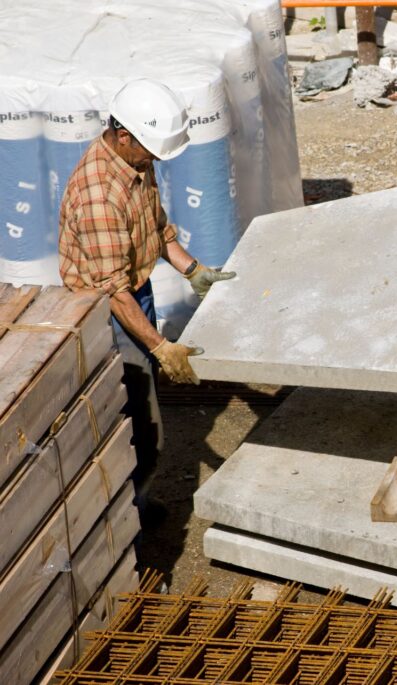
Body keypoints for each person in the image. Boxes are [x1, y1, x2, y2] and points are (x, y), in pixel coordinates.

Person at [58, 78, 235, 504]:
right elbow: (114, 291)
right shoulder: (99, 194)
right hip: (105, 309)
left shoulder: (135, 158)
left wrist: (192, 270)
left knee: (143, 402)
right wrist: (160, 347)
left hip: (134, 290)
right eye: (152, 150)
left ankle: (138, 498)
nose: (156, 158)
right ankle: (126, 521)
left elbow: (155, 227)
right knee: (138, 418)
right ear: (123, 135)